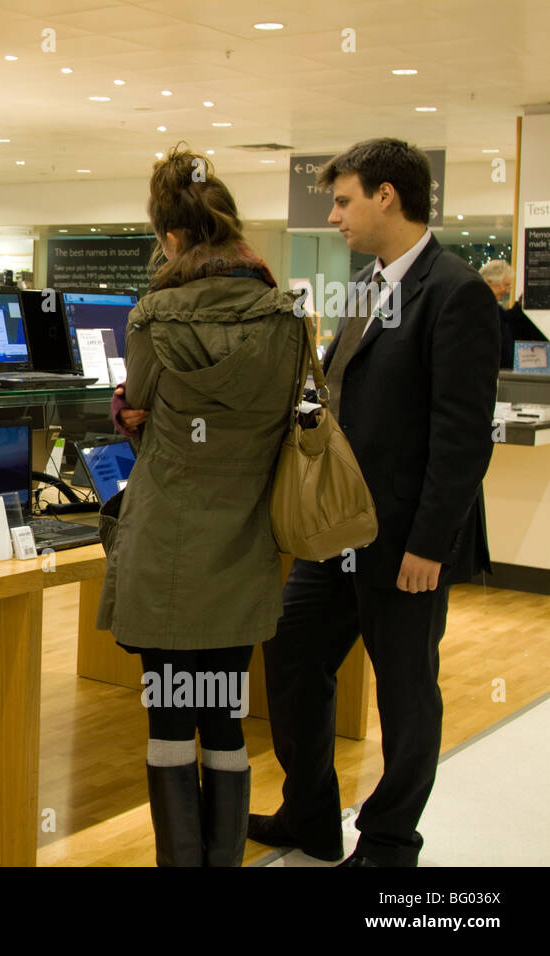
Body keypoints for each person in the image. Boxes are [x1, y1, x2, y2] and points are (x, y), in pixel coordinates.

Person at [250, 138, 500, 867]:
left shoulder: (456, 293)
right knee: (292, 649)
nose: (334, 216)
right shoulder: (365, 287)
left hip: (409, 540)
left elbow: (461, 437)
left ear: (387, 195)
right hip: (341, 533)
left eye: (344, 199)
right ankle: (310, 814)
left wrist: (428, 543)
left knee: (405, 691)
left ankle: (390, 842)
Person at [96, 145, 303, 866]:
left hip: (169, 549)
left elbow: (146, 409)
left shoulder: (153, 315)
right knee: (225, 715)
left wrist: (128, 409)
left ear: (173, 236)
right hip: (245, 544)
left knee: (168, 714)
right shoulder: (284, 316)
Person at [479, 259, 546, 369]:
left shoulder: (494, 310)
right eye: (505, 285)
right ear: (489, 282)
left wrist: (519, 309)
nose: (507, 291)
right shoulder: (478, 310)